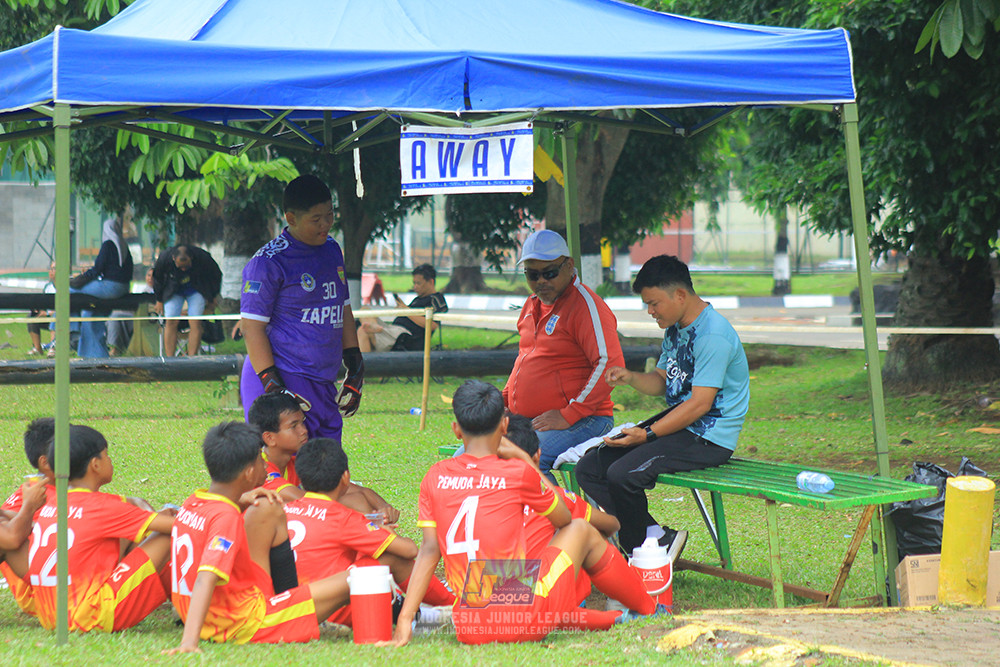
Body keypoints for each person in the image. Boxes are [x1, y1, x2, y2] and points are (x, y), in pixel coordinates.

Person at [387, 380, 659, 647]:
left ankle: (616, 618)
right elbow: (565, 520)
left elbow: (429, 550)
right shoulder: (518, 473)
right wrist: (526, 460)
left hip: (468, 624)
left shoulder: (435, 476)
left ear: (456, 430)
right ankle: (651, 609)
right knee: (580, 529)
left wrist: (405, 619)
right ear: (504, 425)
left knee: (517, 583)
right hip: (518, 613)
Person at [574, 255, 750, 558]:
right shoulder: (676, 328)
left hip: (709, 437)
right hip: (680, 425)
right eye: (647, 304)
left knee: (622, 474)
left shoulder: (713, 335)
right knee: (590, 467)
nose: (650, 311)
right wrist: (631, 378)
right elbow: (661, 381)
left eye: (654, 303)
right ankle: (655, 538)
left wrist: (647, 435)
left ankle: (641, 554)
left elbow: (699, 404)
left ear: (680, 295)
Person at [166, 422, 352, 653]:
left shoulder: (193, 502)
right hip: (243, 623)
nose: (265, 462)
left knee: (267, 507)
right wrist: (188, 643)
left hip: (212, 615)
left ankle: (290, 602)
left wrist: (242, 498)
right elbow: (206, 576)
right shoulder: (225, 517)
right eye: (260, 458)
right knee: (357, 577)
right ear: (249, 472)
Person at [239, 175, 364, 441]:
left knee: (328, 472)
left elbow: (342, 308)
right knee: (285, 474)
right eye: (316, 219)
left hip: (322, 381)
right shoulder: (268, 262)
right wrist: (272, 385)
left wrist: (355, 363)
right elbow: (251, 328)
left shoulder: (332, 250)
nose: (326, 225)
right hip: (284, 376)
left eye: (329, 215)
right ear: (291, 218)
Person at [285, 437, 455, 628]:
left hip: (288, 604)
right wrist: (383, 531)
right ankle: (452, 604)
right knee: (389, 555)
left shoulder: (285, 510)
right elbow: (409, 550)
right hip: (332, 609)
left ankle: (420, 612)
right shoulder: (344, 517)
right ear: (346, 478)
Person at [20, 424, 175, 632]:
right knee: (167, 536)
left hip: (49, 616)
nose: (110, 460)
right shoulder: (100, 506)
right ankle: (188, 603)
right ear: (95, 464)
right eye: (106, 455)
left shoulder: (53, 501)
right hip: (88, 617)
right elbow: (178, 527)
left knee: (129, 535)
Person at [501, 229, 624, 480]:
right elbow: (524, 361)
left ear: (569, 266)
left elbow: (610, 365)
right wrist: (502, 405)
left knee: (522, 459)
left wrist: (569, 414)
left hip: (586, 420)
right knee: (468, 456)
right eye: (532, 274)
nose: (541, 281)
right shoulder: (530, 304)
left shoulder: (584, 305)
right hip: (529, 421)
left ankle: (566, 518)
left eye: (549, 273)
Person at [246, 392, 398, 520]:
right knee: (353, 504)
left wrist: (385, 508)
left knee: (356, 500)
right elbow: (307, 502)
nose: (304, 431)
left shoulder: (295, 462)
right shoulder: (261, 468)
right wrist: (365, 516)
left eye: (302, 423)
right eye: (294, 426)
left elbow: (357, 490)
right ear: (269, 438)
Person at [70, 215, 133, 358]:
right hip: (123, 288)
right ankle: (94, 354)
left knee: (70, 290)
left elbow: (98, 268)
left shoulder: (108, 245)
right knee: (89, 313)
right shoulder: (124, 247)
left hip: (109, 288)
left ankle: (71, 327)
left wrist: (82, 278)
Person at [357, 264, 448, 353]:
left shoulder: (436, 299)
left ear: (431, 282)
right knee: (364, 310)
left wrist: (407, 311)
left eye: (418, 283)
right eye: (414, 283)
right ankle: (374, 327)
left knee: (363, 331)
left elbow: (432, 325)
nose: (415, 287)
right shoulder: (418, 299)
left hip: (403, 335)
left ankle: (363, 366)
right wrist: (403, 309)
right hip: (393, 330)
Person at [153, 245, 222, 357]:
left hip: (197, 289)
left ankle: (191, 358)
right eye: (180, 267)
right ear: (174, 259)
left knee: (195, 322)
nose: (183, 269)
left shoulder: (202, 257)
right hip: (173, 291)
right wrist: (159, 300)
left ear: (191, 258)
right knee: (170, 321)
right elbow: (157, 278)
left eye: (186, 266)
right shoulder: (164, 258)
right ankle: (170, 360)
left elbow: (216, 275)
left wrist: (213, 296)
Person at [107, 266, 155, 357]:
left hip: (150, 318)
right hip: (134, 313)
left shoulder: (160, 292)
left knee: (116, 316)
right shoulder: (140, 289)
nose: (150, 278)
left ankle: (116, 348)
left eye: (153, 276)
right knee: (115, 316)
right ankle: (115, 348)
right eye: (148, 275)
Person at [26, 261, 56, 357]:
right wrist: (40, 310)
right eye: (50, 269)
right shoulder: (48, 287)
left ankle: (53, 348)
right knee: (31, 316)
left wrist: (49, 314)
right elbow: (44, 304)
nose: (51, 271)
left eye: (54, 269)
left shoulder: (68, 286)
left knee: (56, 316)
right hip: (48, 317)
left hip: (62, 318)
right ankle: (37, 348)